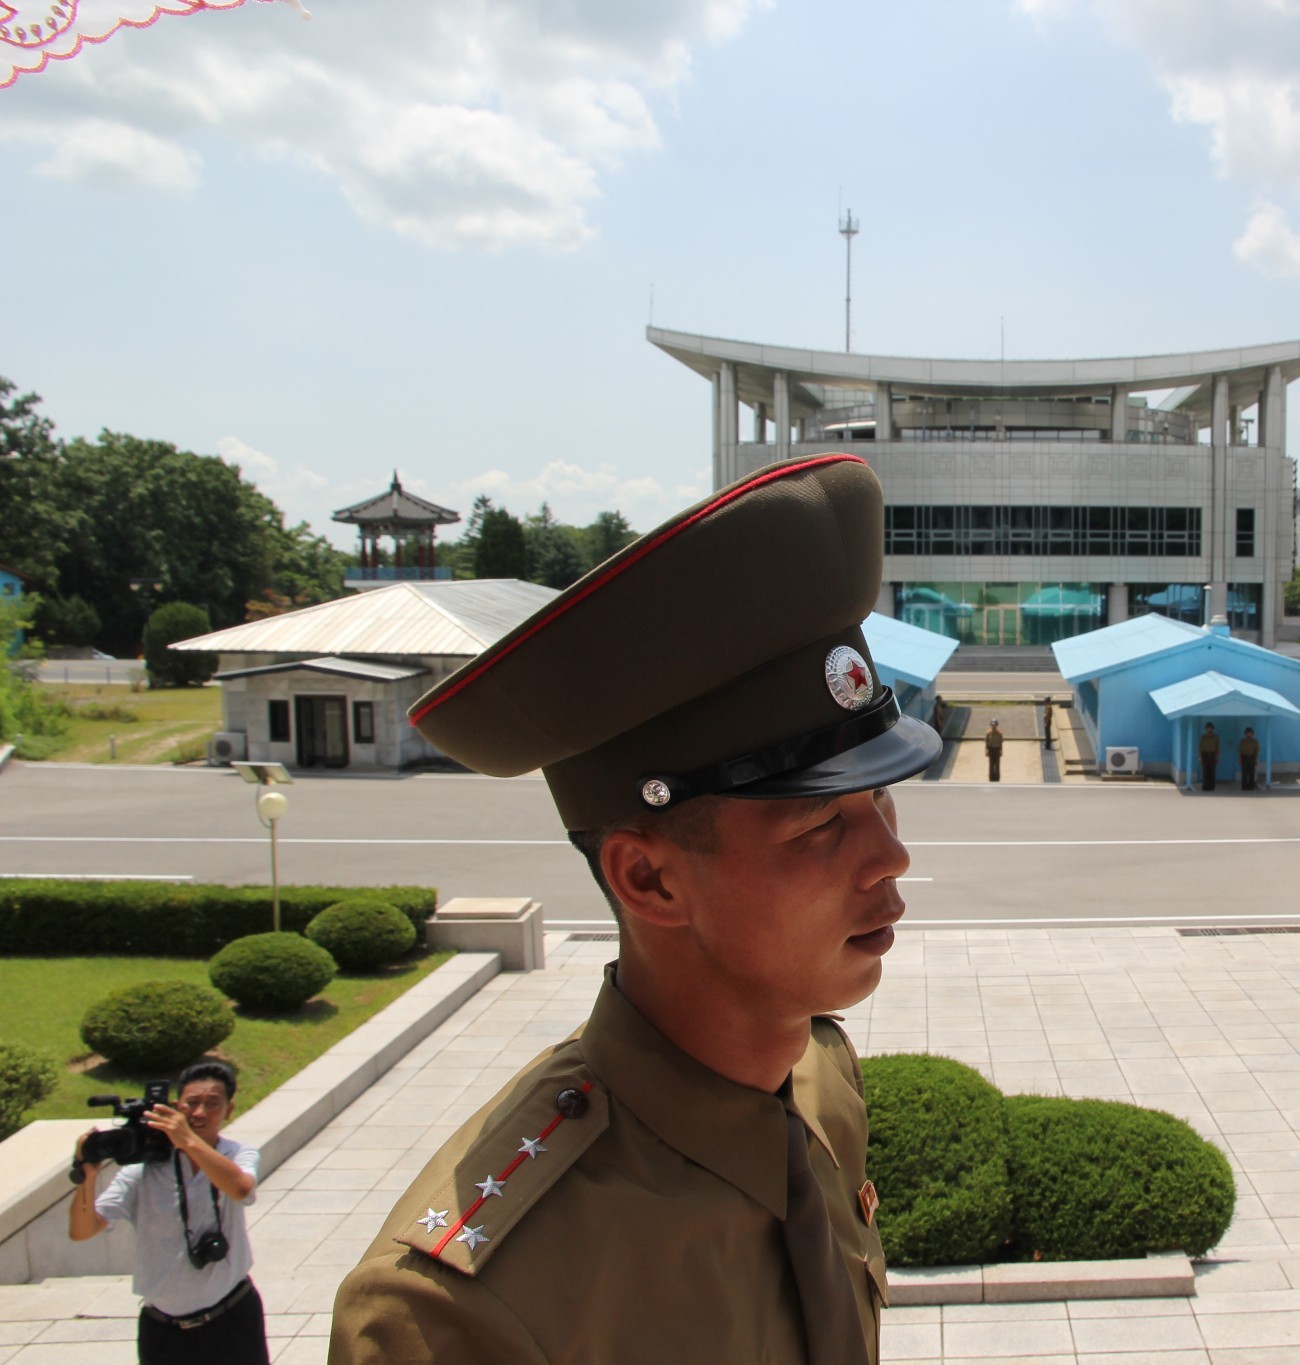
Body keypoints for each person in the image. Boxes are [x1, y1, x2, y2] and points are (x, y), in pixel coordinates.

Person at [330, 454, 942, 1364]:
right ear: (649, 880)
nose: (891, 854)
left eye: (881, 799)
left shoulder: (818, 1080)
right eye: (820, 824)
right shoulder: (467, 1310)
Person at [69, 1060, 267, 1365]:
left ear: (229, 1110)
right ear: (176, 1106)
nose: (200, 1112)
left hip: (231, 1318)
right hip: (163, 1330)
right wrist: (88, 1176)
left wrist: (186, 1139)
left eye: (212, 1104)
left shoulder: (238, 1154)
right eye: (192, 1103)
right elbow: (82, 1231)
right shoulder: (142, 1171)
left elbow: (240, 1188)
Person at [1198, 722, 1220, 791]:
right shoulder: (1203, 737)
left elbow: (1217, 748)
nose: (1209, 729)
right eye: (1208, 728)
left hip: (1213, 755)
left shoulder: (1216, 737)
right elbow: (1200, 748)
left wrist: (1217, 757)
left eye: (1210, 728)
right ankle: (1205, 786)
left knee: (1212, 772)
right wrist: (1200, 757)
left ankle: (1211, 787)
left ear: (1212, 729)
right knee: (1205, 771)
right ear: (1206, 729)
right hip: (1205, 755)